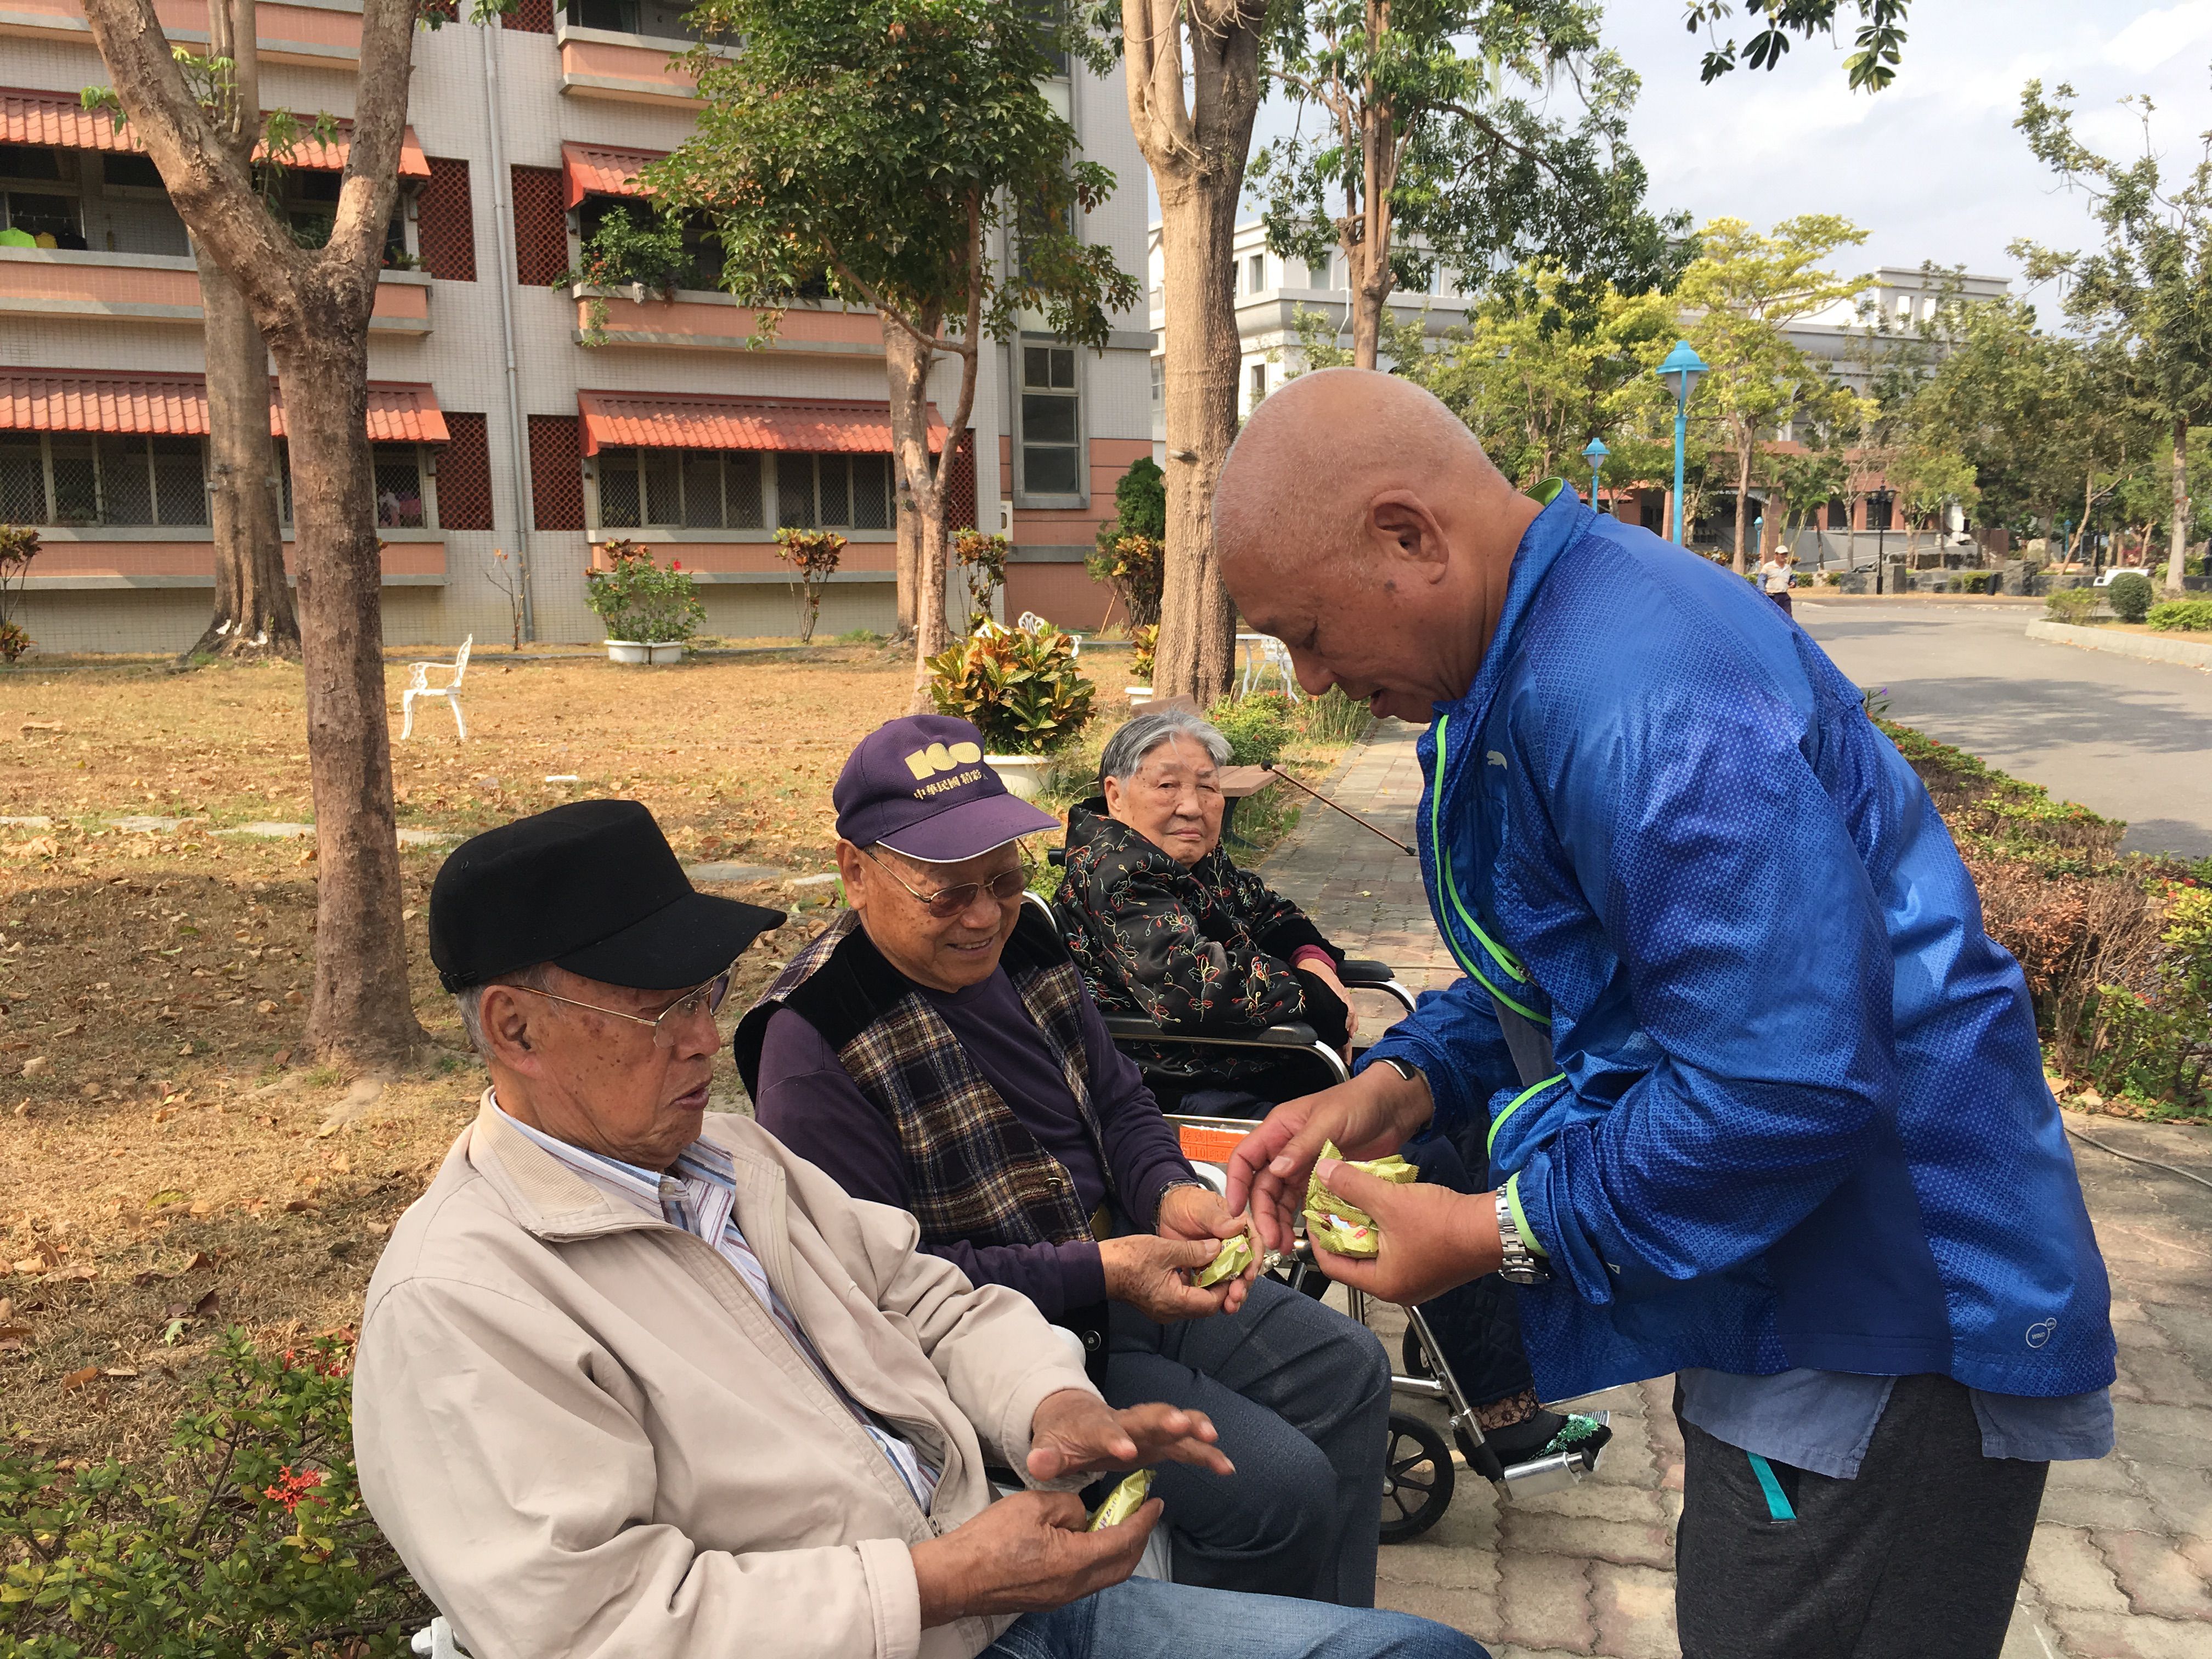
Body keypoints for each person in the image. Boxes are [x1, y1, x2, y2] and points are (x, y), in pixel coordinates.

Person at [1209, 369, 2117, 1659]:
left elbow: (1782, 1086)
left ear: (1407, 535)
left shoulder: (1639, 697)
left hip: (1879, 1316)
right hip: (1783, 1282)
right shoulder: (1537, 658)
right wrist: (1396, 1085)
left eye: (1304, 630)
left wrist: (1487, 1228)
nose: (1307, 680)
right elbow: (1589, 971)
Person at [354, 797, 1481, 1659]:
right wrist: (934, 1583)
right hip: (932, 1614)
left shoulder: (727, 1160)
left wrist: (1055, 1408)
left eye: (707, 995)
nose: (705, 1041)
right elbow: (598, 1629)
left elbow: (928, 1297)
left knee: (1428, 1650)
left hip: (994, 1599)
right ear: (514, 1029)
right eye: (662, 1011)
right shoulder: (464, 1304)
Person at [738, 716, 1394, 1610]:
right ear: (857, 871)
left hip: (1125, 1263)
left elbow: (1120, 1098)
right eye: (946, 891)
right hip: (1013, 1340)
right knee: (1277, 1486)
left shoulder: (1029, 937)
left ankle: (1330, 1629)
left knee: (1352, 1365)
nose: (983, 915)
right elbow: (878, 1287)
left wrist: (1166, 1193)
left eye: (1003, 878)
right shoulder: (812, 1038)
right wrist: (1102, 1268)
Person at [1054, 706, 1609, 1478]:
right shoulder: (1116, 874)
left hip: (1261, 1071)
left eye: (1208, 787)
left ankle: (1463, 1318)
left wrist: (1312, 959)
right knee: (1420, 1160)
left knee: (1474, 1119)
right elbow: (1200, 991)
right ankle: (1501, 1413)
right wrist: (1317, 1003)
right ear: (1115, 794)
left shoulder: (1191, 861)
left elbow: (1277, 916)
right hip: (1185, 1093)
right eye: (1168, 785)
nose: (1192, 804)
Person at [1756, 545, 1794, 615]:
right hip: (1772, 596)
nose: (1784, 556)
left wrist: (1793, 582)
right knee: (1772, 616)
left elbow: (1793, 578)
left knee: (1788, 617)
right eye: (1782, 554)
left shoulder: (1788, 568)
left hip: (1784, 597)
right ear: (1776, 555)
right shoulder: (1768, 567)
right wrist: (1763, 592)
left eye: (1785, 554)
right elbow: (1761, 580)